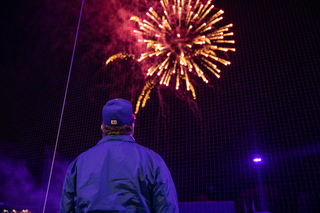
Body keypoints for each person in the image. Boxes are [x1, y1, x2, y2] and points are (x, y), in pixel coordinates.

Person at [60, 98, 179, 213]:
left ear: (102, 126)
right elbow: (167, 207)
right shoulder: (153, 161)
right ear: (132, 126)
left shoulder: (78, 163)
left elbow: (66, 208)